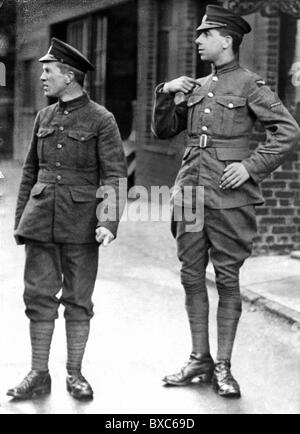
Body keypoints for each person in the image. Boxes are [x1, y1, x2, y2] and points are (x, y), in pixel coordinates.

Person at [152, 5, 300, 398]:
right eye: (198, 34)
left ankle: (223, 366)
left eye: (205, 34)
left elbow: (287, 132)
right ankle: (198, 359)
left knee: (228, 278)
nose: (198, 40)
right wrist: (165, 92)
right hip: (190, 192)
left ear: (226, 39)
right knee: (190, 274)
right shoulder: (195, 86)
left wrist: (251, 167)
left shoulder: (251, 84)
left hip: (230, 196)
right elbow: (164, 130)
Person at [7, 38, 127, 400]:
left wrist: (108, 221)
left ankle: (75, 374)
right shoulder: (44, 117)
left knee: (78, 300)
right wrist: (21, 220)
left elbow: (115, 175)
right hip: (41, 221)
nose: (42, 78)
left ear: (70, 76)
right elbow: (30, 172)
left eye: (48, 72)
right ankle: (38, 374)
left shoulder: (101, 119)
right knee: (38, 297)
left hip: (81, 224)